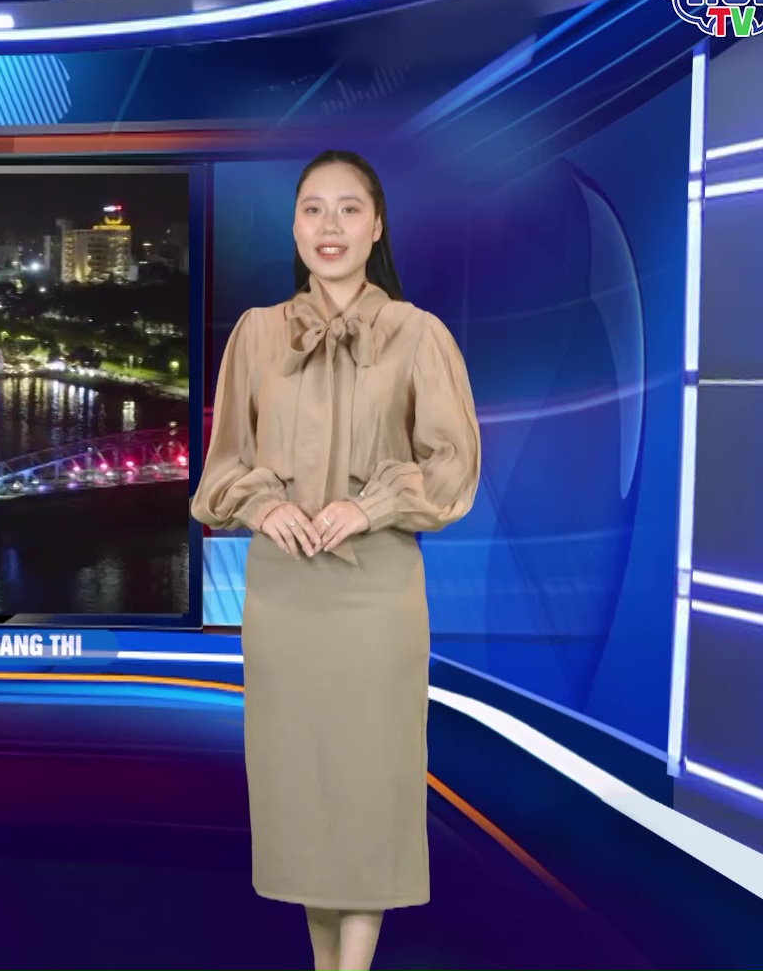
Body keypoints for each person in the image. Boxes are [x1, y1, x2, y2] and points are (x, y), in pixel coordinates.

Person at [190, 150, 481, 971]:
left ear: (377, 226)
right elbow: (222, 468)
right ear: (293, 226)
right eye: (313, 208)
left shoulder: (420, 335)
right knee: (305, 792)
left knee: (368, 788)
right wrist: (265, 505)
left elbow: (454, 466)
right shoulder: (256, 334)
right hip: (284, 600)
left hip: (376, 597)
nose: (330, 226)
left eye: (349, 209)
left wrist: (369, 505)